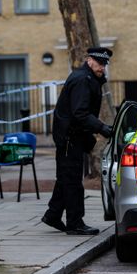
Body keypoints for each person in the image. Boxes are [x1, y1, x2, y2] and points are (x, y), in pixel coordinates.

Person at [42, 47, 114, 235]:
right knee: (72, 181)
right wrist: (102, 128)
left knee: (66, 178)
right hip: (69, 138)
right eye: (99, 64)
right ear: (89, 60)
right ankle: (75, 223)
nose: (102, 68)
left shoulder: (88, 78)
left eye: (104, 64)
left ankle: (53, 215)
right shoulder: (83, 79)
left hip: (72, 137)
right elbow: (80, 113)